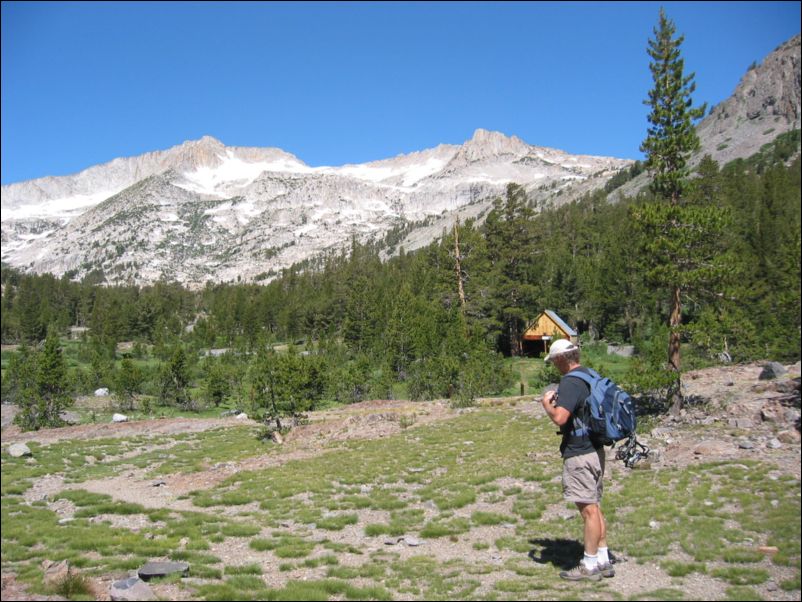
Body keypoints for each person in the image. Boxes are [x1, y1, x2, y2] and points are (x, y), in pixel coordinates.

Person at [540, 338, 615, 581]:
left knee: (589, 511)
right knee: (594, 505)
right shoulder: (588, 375)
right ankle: (603, 558)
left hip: (580, 452)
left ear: (561, 359)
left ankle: (589, 565)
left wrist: (547, 405)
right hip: (595, 449)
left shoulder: (570, 381)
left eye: (553, 361)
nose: (554, 365)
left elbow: (561, 418)